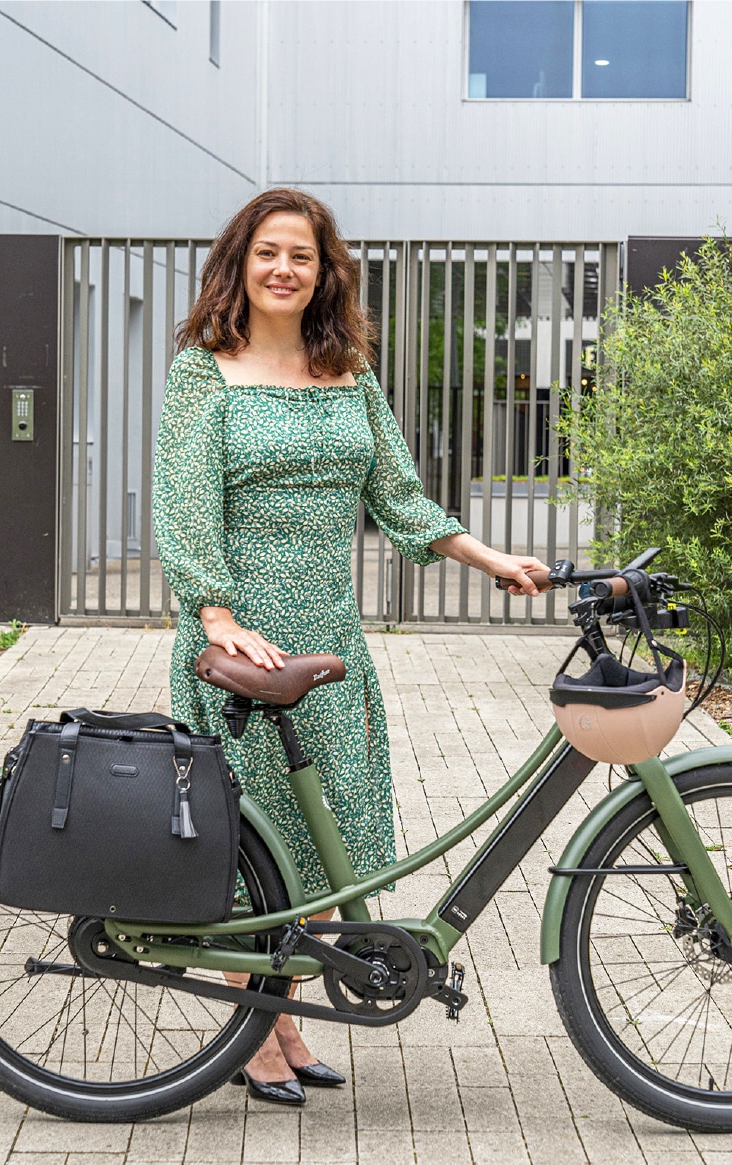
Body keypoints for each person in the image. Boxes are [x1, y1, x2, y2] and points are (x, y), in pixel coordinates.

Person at [151, 189, 546, 1105]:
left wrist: (489, 558)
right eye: (268, 253)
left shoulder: (349, 370)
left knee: (332, 840)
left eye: (303, 255)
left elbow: (400, 497)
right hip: (243, 633)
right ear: (238, 266)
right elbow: (183, 499)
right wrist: (213, 612)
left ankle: (281, 1019)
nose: (284, 269)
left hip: (331, 636)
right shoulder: (204, 374)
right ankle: (253, 1033)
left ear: (326, 272)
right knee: (259, 844)